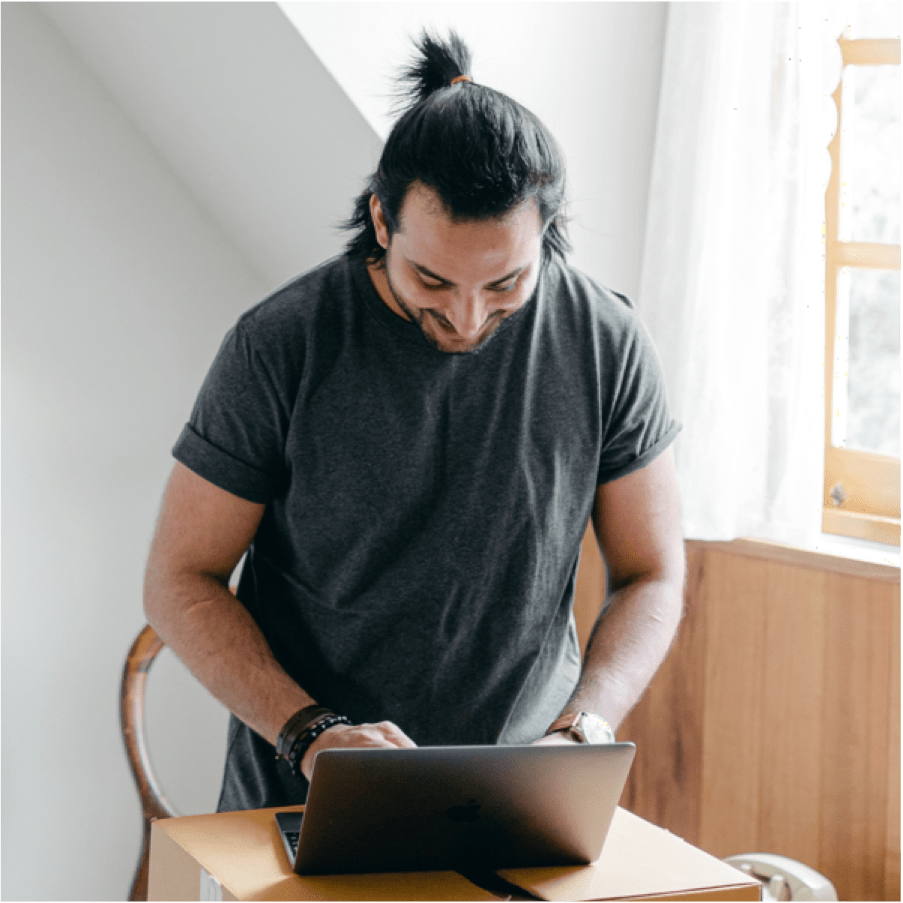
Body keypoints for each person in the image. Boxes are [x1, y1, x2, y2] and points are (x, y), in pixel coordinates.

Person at [144, 32, 685, 813]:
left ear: (546, 230)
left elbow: (652, 572)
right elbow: (178, 579)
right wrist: (308, 733)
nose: (466, 317)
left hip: (519, 799)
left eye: (505, 282)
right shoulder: (281, 343)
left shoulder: (607, 341)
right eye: (432, 278)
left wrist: (583, 729)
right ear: (380, 219)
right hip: (302, 794)